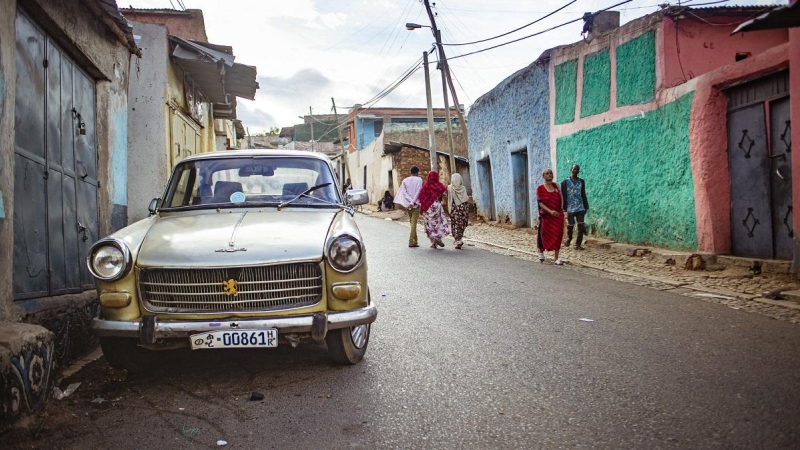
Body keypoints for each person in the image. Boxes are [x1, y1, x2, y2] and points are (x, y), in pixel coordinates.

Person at [536, 168, 565, 265]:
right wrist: (550, 211)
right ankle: (541, 251)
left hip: (558, 216)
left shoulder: (557, 186)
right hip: (547, 216)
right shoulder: (540, 188)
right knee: (544, 235)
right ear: (543, 176)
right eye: (547, 174)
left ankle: (556, 258)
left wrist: (561, 211)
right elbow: (540, 203)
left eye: (551, 173)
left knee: (558, 235)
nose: (549, 175)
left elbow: (561, 199)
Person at [418, 171, 450, 248]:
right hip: (437, 206)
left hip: (428, 207)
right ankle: (438, 238)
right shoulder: (440, 186)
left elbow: (421, 197)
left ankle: (433, 242)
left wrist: (422, 208)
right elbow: (445, 193)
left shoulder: (426, 186)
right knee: (438, 223)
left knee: (429, 224)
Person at [561, 164, 589, 250]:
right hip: (569, 208)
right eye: (574, 169)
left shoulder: (581, 182)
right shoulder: (565, 182)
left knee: (581, 226)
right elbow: (562, 195)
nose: (575, 170)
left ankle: (578, 244)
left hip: (580, 207)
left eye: (577, 169)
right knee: (571, 225)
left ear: (578, 171)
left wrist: (586, 206)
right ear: (571, 170)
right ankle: (569, 238)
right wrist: (563, 208)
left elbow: (583, 194)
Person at [393, 166, 424, 247]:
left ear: (410, 172)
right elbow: (418, 191)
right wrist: (413, 201)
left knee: (412, 222)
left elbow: (404, 193)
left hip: (408, 204)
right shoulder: (419, 180)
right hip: (416, 204)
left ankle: (415, 240)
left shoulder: (405, 180)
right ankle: (411, 241)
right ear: (417, 172)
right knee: (414, 223)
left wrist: (410, 201)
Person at [447, 173, 470, 250]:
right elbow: (465, 199)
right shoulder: (463, 188)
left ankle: (458, 240)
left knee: (455, 224)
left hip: (454, 210)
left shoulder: (450, 188)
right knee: (461, 224)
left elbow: (448, 198)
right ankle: (459, 239)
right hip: (463, 209)